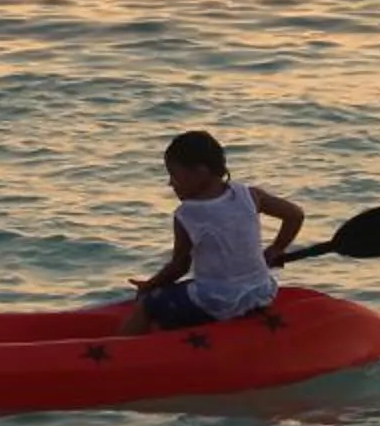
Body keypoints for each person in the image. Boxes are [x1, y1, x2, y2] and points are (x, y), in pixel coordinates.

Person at [121, 130, 304, 334]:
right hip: (260, 292)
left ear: (200, 172)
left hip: (218, 301)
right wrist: (277, 248)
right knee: (193, 287)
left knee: (150, 303)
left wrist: (150, 285)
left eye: (174, 175)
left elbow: (179, 267)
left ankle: (122, 347)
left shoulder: (187, 214)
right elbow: (295, 215)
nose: (171, 183)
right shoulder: (250, 195)